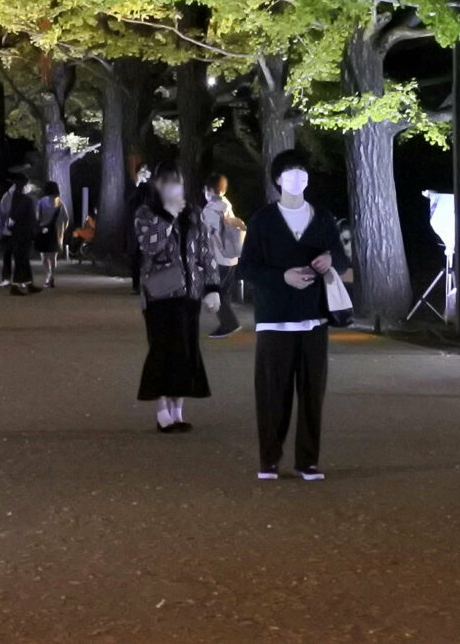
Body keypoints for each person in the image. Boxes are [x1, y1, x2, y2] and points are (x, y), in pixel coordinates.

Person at [238, 149, 351, 481]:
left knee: (313, 393)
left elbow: (342, 258)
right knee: (273, 393)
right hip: (275, 319)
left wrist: (331, 261)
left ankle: (308, 461)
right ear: (278, 179)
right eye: (290, 172)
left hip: (315, 317)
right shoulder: (263, 220)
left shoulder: (323, 217)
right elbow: (247, 268)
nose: (298, 178)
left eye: (303, 171)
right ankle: (269, 459)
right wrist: (282, 277)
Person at [134, 169, 222, 432]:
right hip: (159, 292)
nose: (174, 187)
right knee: (162, 348)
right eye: (168, 182)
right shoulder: (146, 213)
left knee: (186, 348)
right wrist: (167, 216)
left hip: (190, 291)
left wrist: (212, 287)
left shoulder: (193, 212)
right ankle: (162, 410)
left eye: (178, 182)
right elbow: (150, 246)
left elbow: (206, 250)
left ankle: (178, 410)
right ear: (158, 185)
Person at [201, 176, 244, 336]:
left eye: (205, 190)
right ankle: (228, 322)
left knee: (214, 292)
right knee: (223, 293)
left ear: (209, 191)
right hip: (231, 257)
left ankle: (229, 324)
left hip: (218, 257)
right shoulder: (226, 204)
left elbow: (207, 234)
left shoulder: (210, 210)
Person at [1, 173, 40, 295]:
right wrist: (35, 232)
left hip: (16, 232)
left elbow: (10, 216)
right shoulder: (27, 200)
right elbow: (32, 219)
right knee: (22, 259)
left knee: (23, 259)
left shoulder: (13, 198)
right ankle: (15, 285)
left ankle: (29, 283)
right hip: (25, 233)